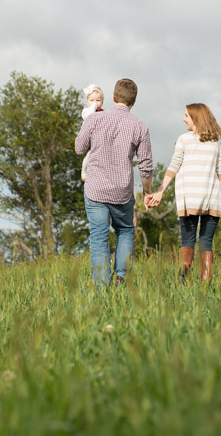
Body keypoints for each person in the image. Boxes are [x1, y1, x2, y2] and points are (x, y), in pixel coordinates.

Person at [75, 79, 153, 286]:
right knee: (125, 230)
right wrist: (147, 192)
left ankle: (102, 288)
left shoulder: (94, 120)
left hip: (96, 190)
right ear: (133, 102)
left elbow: (79, 148)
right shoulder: (140, 127)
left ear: (113, 98)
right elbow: (145, 165)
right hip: (122, 191)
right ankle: (121, 277)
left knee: (99, 238)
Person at [149, 103, 221, 282]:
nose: (183, 119)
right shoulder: (217, 144)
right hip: (213, 199)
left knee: (187, 242)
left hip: (189, 198)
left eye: (186, 115)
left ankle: (184, 271)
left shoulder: (184, 139)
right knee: (206, 242)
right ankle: (205, 282)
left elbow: (174, 166)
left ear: (196, 118)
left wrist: (161, 190)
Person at [81, 84, 104, 182]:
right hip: (90, 138)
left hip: (100, 139)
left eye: (98, 100)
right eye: (92, 100)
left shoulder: (104, 113)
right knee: (89, 155)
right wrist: (94, 106)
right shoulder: (86, 111)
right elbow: (88, 116)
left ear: (102, 102)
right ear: (87, 102)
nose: (95, 102)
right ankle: (84, 171)